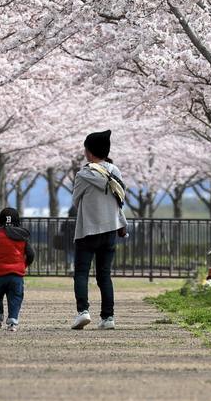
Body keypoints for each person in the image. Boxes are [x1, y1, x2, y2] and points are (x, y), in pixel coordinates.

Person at [69, 129, 127, 330]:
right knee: (104, 274)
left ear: (90, 152)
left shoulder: (84, 174)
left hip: (88, 230)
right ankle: (108, 317)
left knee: (82, 273)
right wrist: (122, 224)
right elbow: (119, 201)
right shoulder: (115, 171)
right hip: (111, 229)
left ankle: (83, 312)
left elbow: (75, 200)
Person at [0, 205, 34, 330]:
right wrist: (24, 264)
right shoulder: (23, 237)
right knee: (15, 297)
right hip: (16, 275)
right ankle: (12, 321)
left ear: (0, 221)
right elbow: (31, 254)